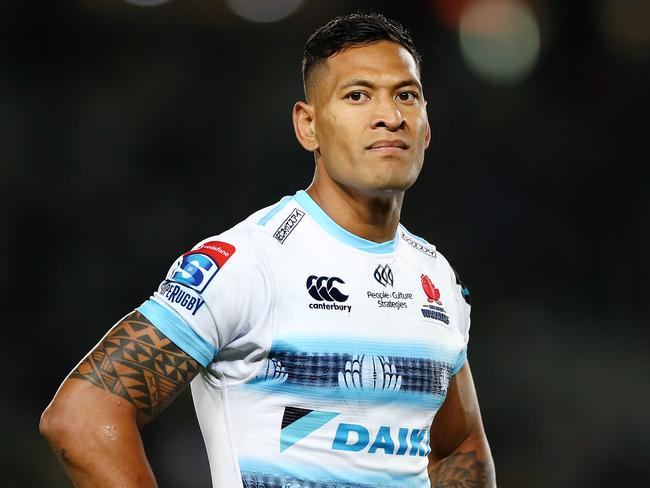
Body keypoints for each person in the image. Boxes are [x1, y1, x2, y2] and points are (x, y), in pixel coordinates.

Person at [40, 12, 495, 488]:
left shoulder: (436, 280)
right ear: (308, 126)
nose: (390, 115)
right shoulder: (248, 263)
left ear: (425, 128)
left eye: (406, 95)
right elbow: (83, 417)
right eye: (357, 95)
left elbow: (461, 445)